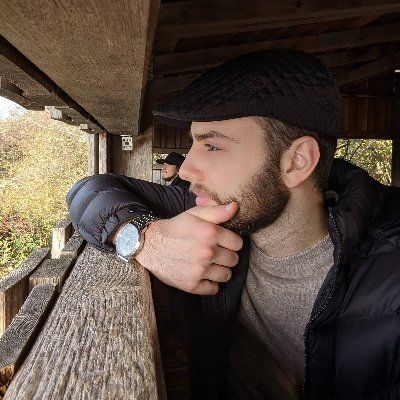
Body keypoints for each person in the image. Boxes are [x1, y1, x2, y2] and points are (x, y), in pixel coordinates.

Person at [67, 50, 400, 400]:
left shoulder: (389, 276)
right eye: (194, 143)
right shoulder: (218, 213)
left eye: (212, 146)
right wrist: (144, 239)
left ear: (297, 161)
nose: (186, 170)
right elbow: (90, 191)